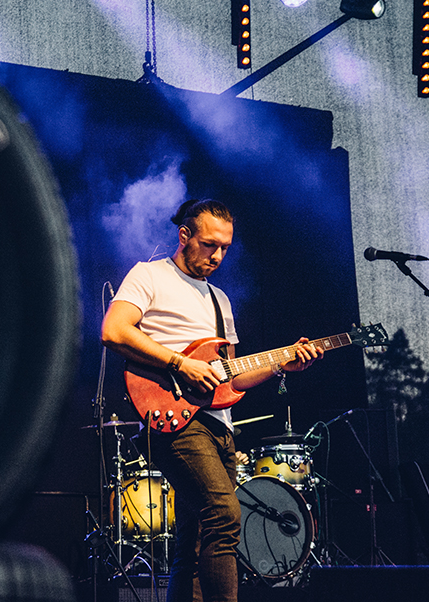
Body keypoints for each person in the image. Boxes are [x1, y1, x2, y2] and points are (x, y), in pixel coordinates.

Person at [100, 199, 323, 602]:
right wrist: (180, 363)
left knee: (194, 537)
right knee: (225, 514)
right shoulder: (149, 275)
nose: (217, 255)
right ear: (184, 235)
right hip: (175, 419)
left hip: (221, 425)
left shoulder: (220, 300)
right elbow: (114, 330)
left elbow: (231, 375)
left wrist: (281, 364)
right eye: (208, 244)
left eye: (224, 248)